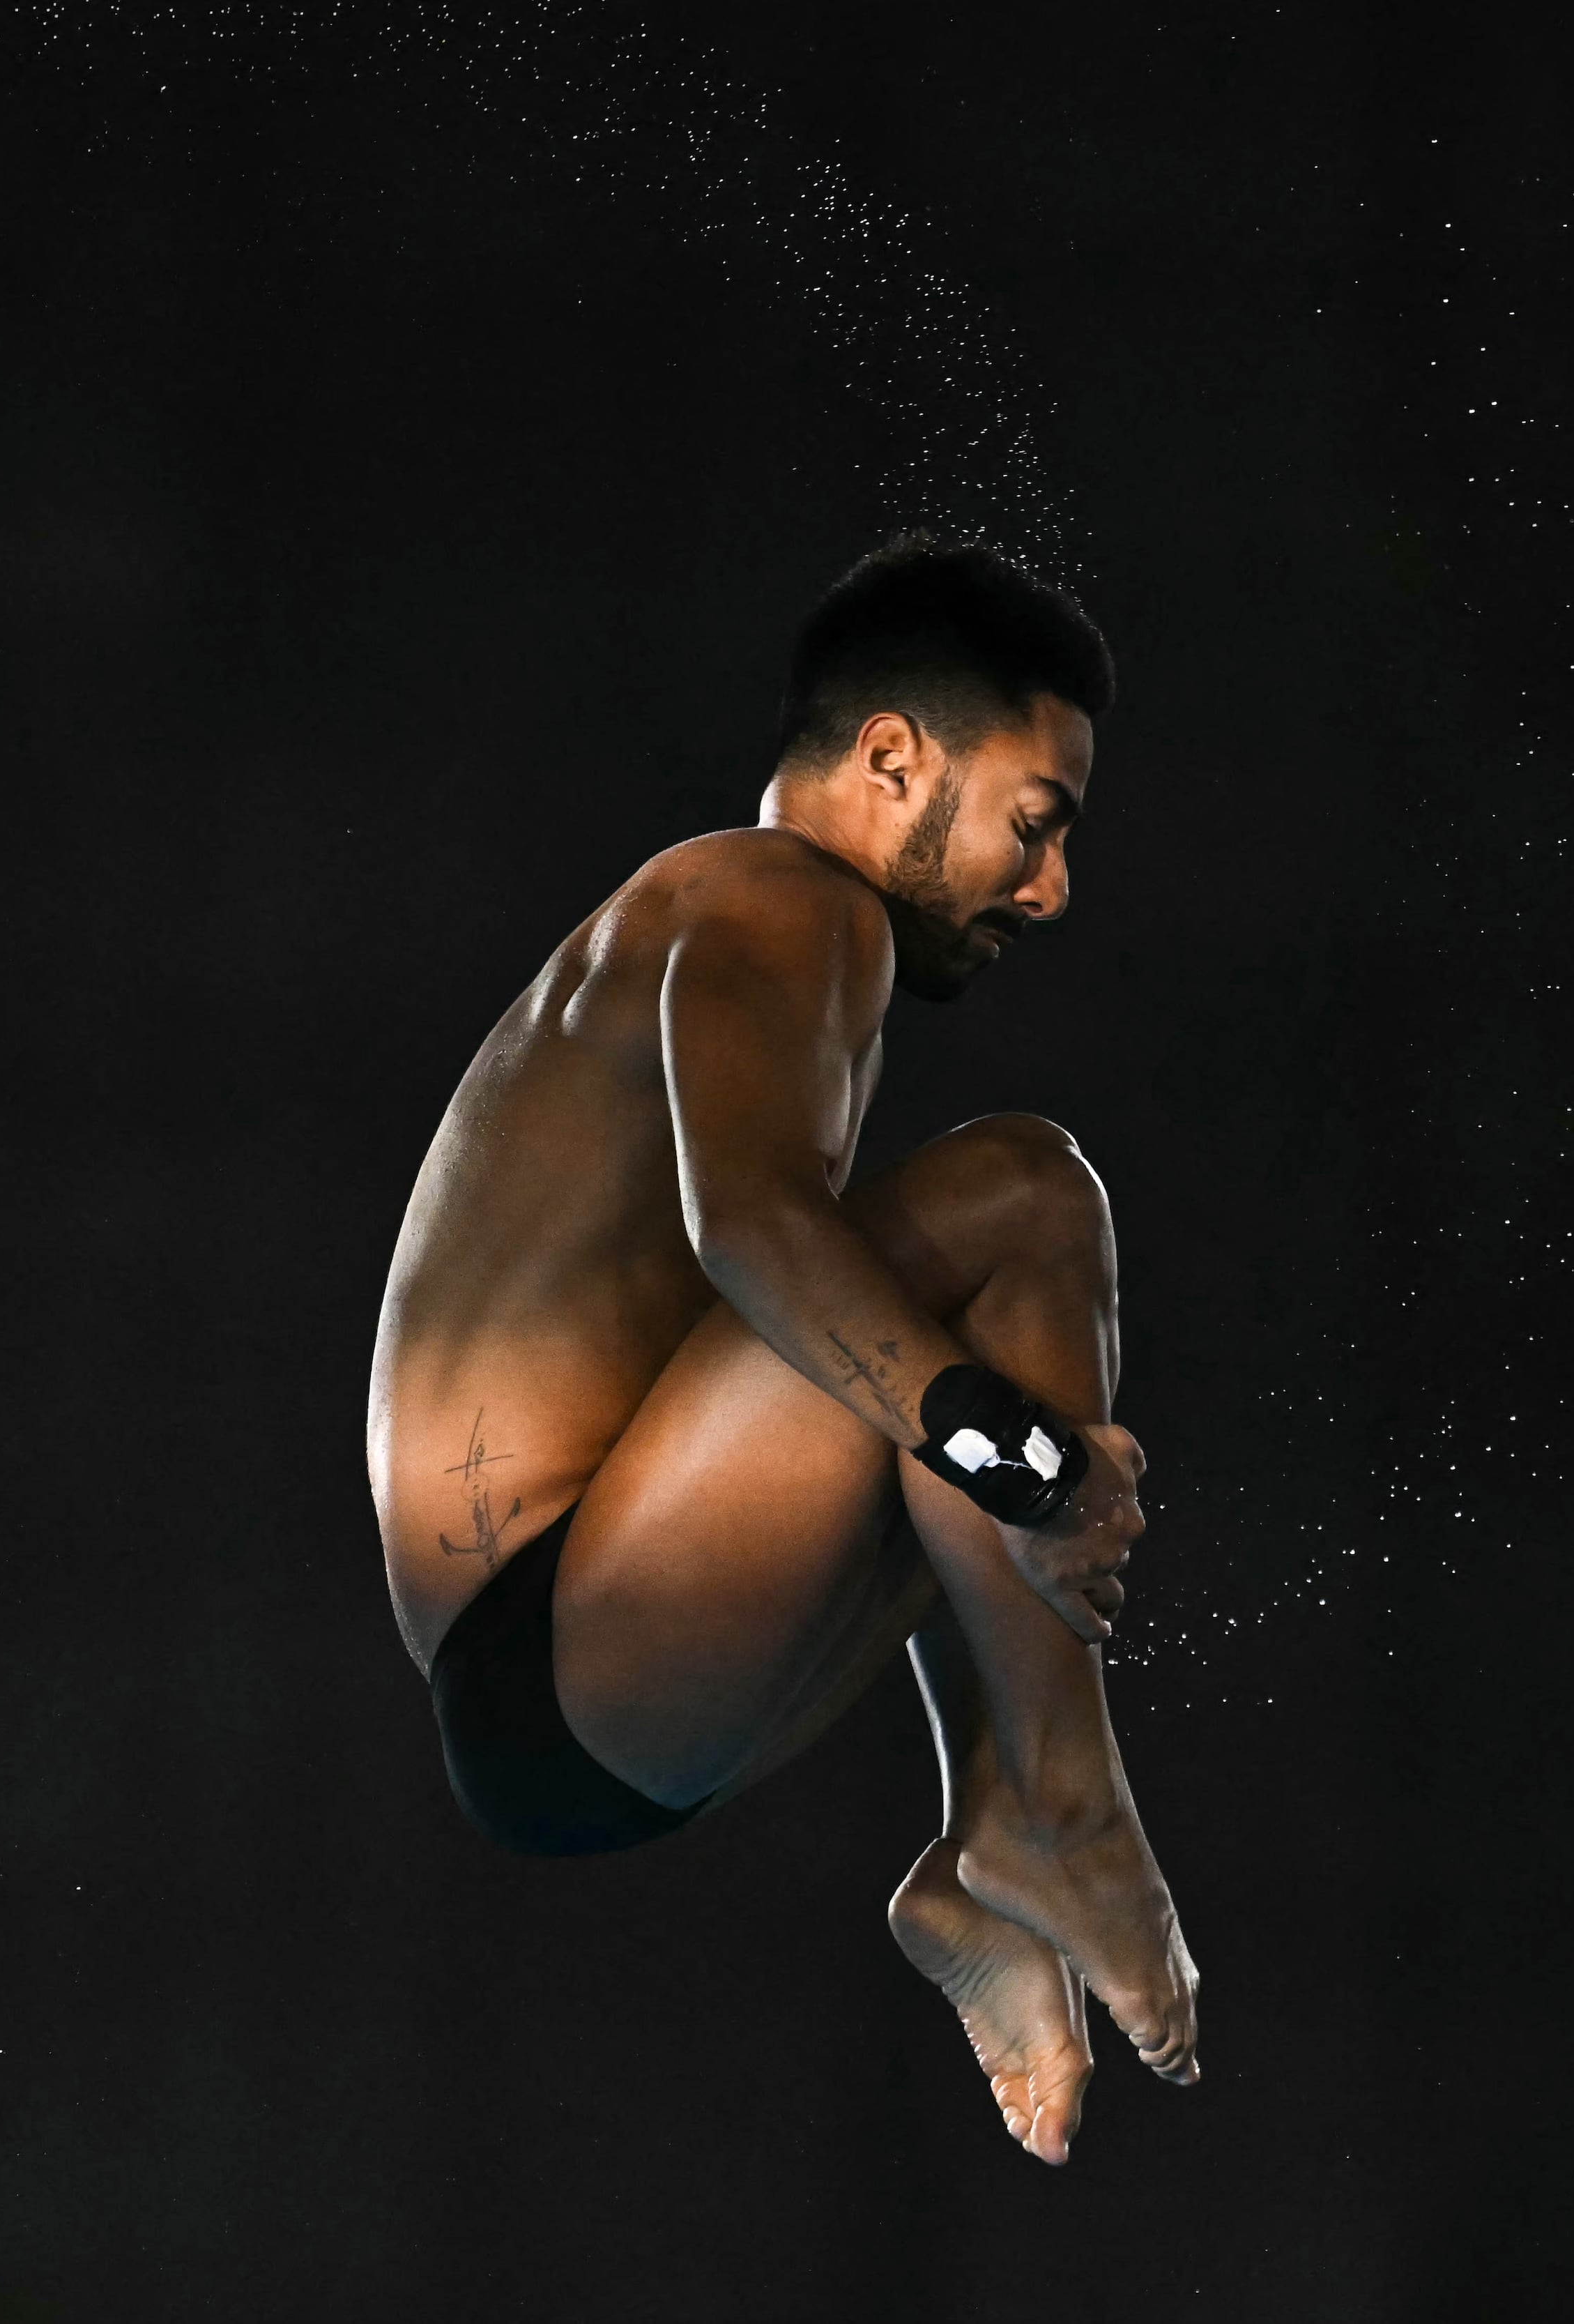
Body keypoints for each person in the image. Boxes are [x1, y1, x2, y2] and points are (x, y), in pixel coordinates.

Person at [367, 535, 1200, 2164]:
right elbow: (752, 1229)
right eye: (1034, 823)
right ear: (893, 757)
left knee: (940, 1333)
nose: (1050, 888)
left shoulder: (754, 939)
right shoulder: (779, 898)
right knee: (1027, 1192)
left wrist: (1006, 1457)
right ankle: (1056, 1808)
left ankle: (996, 1837)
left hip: (586, 1691)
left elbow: (826, 1340)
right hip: (560, 1632)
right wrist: (1033, 1471)